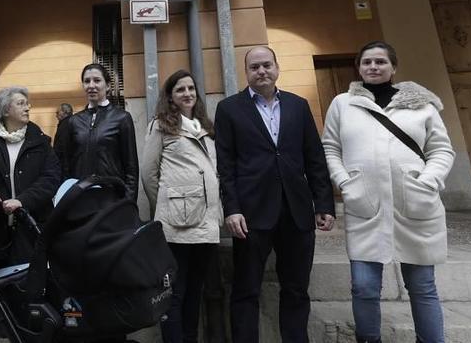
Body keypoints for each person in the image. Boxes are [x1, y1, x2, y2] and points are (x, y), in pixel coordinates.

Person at [321, 41, 454, 343]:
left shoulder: (422, 105)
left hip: (415, 205)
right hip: (365, 206)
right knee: (364, 287)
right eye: (367, 62)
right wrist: (344, 182)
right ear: (358, 68)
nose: (373, 67)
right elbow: (330, 147)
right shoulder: (343, 104)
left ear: (394, 67)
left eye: (380, 62)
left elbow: (441, 150)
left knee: (422, 287)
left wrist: (429, 181)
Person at [214, 46, 335, 343]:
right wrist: (231, 208)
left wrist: (324, 204)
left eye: (266, 65)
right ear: (247, 73)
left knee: (296, 289)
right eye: (254, 67)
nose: (261, 71)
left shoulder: (298, 105)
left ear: (277, 67)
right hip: (251, 216)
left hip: (297, 212)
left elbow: (315, 158)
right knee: (245, 290)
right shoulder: (229, 109)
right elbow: (225, 164)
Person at [0, 87, 61, 343]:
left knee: (26, 297)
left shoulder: (40, 141)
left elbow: (51, 179)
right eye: (21, 103)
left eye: (27, 103)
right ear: (6, 109)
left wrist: (22, 201)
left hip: (29, 231)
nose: (28, 107)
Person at [141, 70, 222, 343]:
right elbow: (149, 174)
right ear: (170, 97)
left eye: (191, 88)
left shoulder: (205, 126)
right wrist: (168, 205)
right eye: (180, 90)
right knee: (175, 290)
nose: (187, 93)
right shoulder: (161, 125)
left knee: (195, 290)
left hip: (207, 222)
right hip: (176, 224)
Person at [55, 63, 139, 200]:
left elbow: (131, 167)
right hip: (80, 198)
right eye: (87, 81)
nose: (91, 85)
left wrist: (128, 203)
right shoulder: (74, 122)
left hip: (112, 198)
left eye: (97, 80)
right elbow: (66, 165)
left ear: (108, 86)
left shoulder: (121, 118)